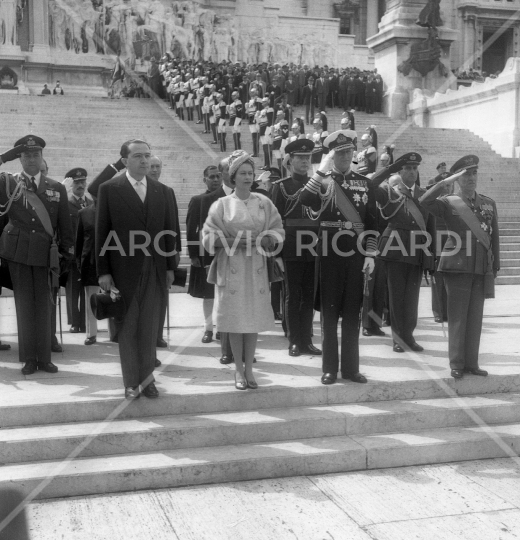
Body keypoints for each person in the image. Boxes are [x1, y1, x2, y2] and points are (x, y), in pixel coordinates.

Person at [95, 139, 179, 400]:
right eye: (138, 156)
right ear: (125, 161)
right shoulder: (110, 189)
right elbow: (102, 232)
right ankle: (131, 382)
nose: (144, 161)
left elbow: (170, 233)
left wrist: (169, 267)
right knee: (128, 328)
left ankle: (147, 380)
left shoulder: (163, 191)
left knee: (150, 327)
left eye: (147, 156)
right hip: (123, 271)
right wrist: (103, 272)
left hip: (154, 269)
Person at [300, 130, 378, 385]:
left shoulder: (365, 183)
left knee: (352, 314)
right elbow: (305, 200)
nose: (345, 156)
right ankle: (330, 368)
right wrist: (321, 170)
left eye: (348, 152)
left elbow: (373, 222)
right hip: (329, 255)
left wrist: (370, 254)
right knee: (330, 315)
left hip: (355, 256)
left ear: (354, 153)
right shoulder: (322, 181)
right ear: (331, 155)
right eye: (339, 152)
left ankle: (351, 369)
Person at [202, 150, 284, 390]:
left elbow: (278, 230)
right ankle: (238, 369)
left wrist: (266, 240)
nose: (248, 177)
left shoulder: (264, 202)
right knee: (236, 320)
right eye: (243, 173)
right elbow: (208, 237)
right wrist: (234, 242)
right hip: (232, 266)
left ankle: (250, 369)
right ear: (233, 177)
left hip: (256, 266)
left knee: (253, 319)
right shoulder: (222, 204)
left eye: (251, 173)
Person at [419, 155, 500, 379]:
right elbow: (424, 202)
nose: (471, 178)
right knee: (457, 317)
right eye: (466, 174)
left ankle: (472, 363)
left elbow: (494, 238)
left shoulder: (488, 203)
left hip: (480, 267)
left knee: (475, 318)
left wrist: (495, 267)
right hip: (456, 267)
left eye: (474, 173)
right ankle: (457, 363)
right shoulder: (448, 201)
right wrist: (443, 184)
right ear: (458, 178)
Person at [0, 135, 74, 374]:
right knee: (23, 305)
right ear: (19, 159)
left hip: (46, 254)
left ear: (42, 157)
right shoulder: (7, 183)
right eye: (26, 155)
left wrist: (67, 254)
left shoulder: (56, 187)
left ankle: (44, 358)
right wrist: (4, 158)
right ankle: (29, 358)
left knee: (45, 305)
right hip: (18, 251)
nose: (31, 159)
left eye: (35, 154)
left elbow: (65, 224)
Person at [369, 152, 436, 353]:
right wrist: (388, 168)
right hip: (395, 250)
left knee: (412, 297)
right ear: (400, 170)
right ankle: (399, 339)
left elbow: (430, 226)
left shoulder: (424, 194)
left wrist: (431, 254)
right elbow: (370, 185)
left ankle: (409, 336)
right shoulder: (390, 192)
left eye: (415, 168)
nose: (412, 172)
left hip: (417, 250)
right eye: (407, 168)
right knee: (397, 296)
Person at [271, 139, 321, 357]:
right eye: (300, 157)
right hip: (290, 246)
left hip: (313, 246)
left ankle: (307, 339)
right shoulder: (280, 186)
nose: (304, 161)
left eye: (307, 157)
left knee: (309, 295)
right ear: (290, 160)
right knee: (292, 294)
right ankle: (293, 340)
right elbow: (275, 221)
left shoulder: (318, 184)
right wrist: (277, 253)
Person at [199, 157, 235, 363]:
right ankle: (223, 344)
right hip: (219, 257)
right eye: (229, 169)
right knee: (219, 301)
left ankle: (241, 348)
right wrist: (205, 260)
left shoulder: (252, 197)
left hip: (244, 259)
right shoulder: (208, 199)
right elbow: (204, 233)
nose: (232, 172)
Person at [148, 155, 181, 350]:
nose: (154, 170)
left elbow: (173, 223)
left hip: (161, 252)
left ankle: (158, 334)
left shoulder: (167, 191)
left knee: (161, 296)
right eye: (151, 166)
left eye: (157, 166)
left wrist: (175, 250)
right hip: (139, 249)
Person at [187, 165, 223, 343]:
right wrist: (194, 254)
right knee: (208, 293)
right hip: (206, 252)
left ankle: (222, 328)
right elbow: (192, 228)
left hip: (226, 250)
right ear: (205, 180)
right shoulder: (198, 200)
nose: (215, 180)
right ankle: (208, 328)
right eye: (211, 177)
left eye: (218, 176)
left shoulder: (228, 198)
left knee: (224, 294)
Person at [66, 168, 92, 335]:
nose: (80, 185)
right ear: (71, 185)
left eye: (82, 182)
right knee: (73, 290)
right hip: (71, 254)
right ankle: (75, 322)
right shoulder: (66, 204)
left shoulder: (91, 204)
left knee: (88, 289)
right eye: (76, 182)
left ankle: (85, 322)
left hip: (88, 253)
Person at [427, 161, 451, 323]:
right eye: (444, 186)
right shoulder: (432, 205)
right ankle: (438, 312)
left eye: (449, 185)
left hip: (452, 248)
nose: (447, 189)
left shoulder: (457, 203)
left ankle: (448, 312)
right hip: (437, 246)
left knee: (450, 282)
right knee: (437, 282)